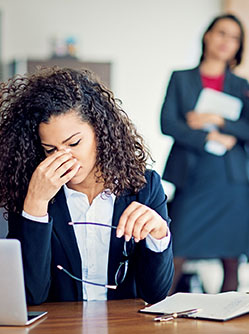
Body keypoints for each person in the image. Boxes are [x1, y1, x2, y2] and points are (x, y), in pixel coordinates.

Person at [0, 67, 174, 305]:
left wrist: (158, 235)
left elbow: (156, 295)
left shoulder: (145, 186)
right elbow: (31, 296)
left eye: (74, 143)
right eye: (51, 150)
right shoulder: (32, 190)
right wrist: (36, 206)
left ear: (100, 132)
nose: (64, 158)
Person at [160, 14, 249, 294]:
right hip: (193, 175)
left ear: (239, 46)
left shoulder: (241, 85)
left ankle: (226, 320)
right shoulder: (181, 78)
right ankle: (160, 315)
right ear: (208, 36)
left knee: (231, 258)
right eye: (222, 33)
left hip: (231, 179)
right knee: (177, 249)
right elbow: (168, 123)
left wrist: (219, 121)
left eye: (234, 37)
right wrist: (207, 135)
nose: (227, 41)